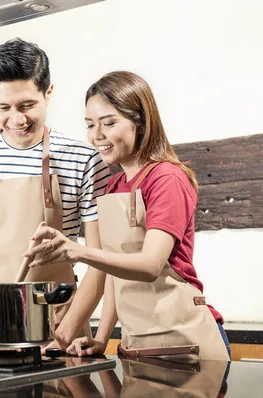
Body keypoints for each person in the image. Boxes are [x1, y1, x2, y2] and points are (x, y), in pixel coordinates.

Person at [25, 71, 231, 361]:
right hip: (137, 347)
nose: (97, 135)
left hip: (186, 345)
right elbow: (114, 276)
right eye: (90, 125)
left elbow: (149, 265)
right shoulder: (114, 186)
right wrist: (101, 339)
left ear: (140, 122)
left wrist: (77, 251)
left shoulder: (167, 178)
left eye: (109, 123)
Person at [0, 38, 110, 348]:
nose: (17, 119)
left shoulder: (83, 159)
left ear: (49, 93)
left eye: (27, 105)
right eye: (3, 107)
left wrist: (64, 334)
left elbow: (101, 261)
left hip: (59, 329)